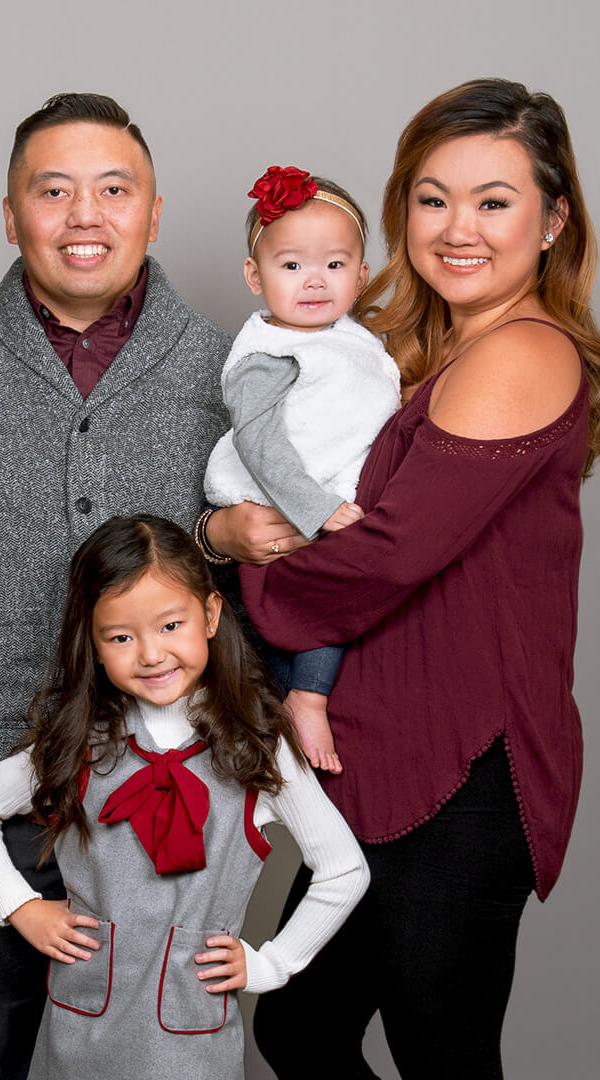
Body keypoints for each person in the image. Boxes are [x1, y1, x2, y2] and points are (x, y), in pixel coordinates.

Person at [240, 78, 600, 1079]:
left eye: (494, 201)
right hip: (379, 738)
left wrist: (228, 584)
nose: (459, 227)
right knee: (300, 1027)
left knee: (439, 1048)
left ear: (553, 220)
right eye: (432, 196)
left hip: (467, 757)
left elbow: (388, 554)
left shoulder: (521, 352)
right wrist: (224, 522)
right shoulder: (411, 353)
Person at [0, 93, 233, 1079]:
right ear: (11, 215)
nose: (84, 216)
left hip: (181, 790)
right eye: (53, 192)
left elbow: (279, 575)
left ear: (155, 211)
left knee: (166, 1047)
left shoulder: (229, 372)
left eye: (113, 189)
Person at [0, 515, 369, 1080]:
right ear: (91, 643)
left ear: (211, 615)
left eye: (170, 625)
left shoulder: (258, 748)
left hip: (192, 1041)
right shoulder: (78, 742)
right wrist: (20, 906)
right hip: (79, 1031)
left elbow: (343, 870)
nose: (150, 654)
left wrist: (272, 964)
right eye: (120, 637)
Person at [203, 166, 400, 772]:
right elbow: (262, 443)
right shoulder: (268, 352)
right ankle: (307, 701)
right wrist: (314, 508)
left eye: (335, 266)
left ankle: (299, 714)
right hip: (278, 505)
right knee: (317, 611)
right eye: (291, 266)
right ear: (254, 277)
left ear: (362, 276)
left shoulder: (352, 340)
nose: (314, 281)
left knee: (334, 606)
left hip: (324, 501)